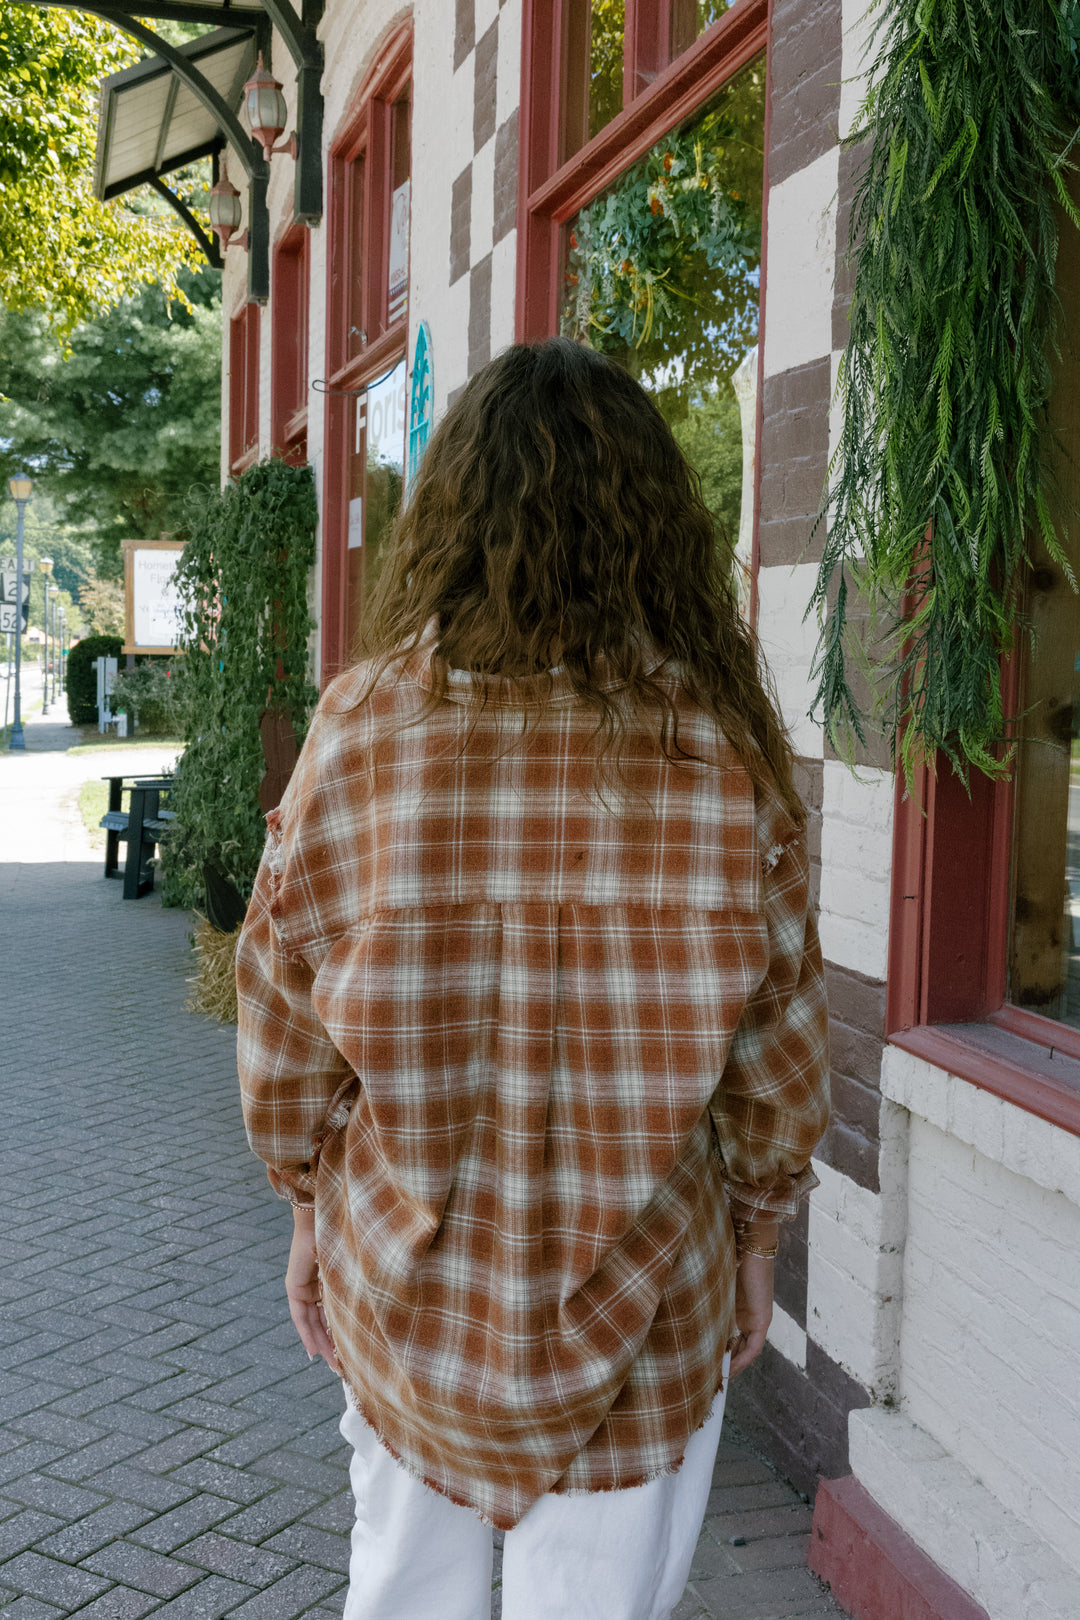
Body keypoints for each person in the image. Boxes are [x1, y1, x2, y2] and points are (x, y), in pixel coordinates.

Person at [235, 337, 830, 1620]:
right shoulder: (723, 761)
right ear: (654, 528)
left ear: (451, 515)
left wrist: (301, 1207)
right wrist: (757, 1242)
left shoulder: (360, 734)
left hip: (408, 1291)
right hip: (644, 1299)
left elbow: (282, 1023)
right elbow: (777, 1060)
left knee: (401, 1597)